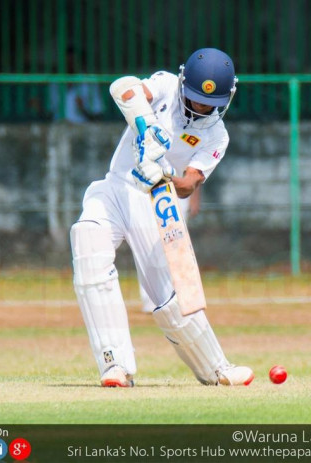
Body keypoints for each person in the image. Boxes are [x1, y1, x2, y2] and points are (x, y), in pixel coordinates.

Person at [70, 47, 254, 387]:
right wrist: (147, 126)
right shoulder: (166, 86)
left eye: (208, 102)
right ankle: (115, 365)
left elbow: (189, 184)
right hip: (115, 187)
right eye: (195, 97)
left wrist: (164, 174)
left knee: (167, 298)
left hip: (154, 200)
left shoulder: (217, 135)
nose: (200, 106)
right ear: (183, 82)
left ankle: (216, 369)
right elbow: (122, 86)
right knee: (87, 245)